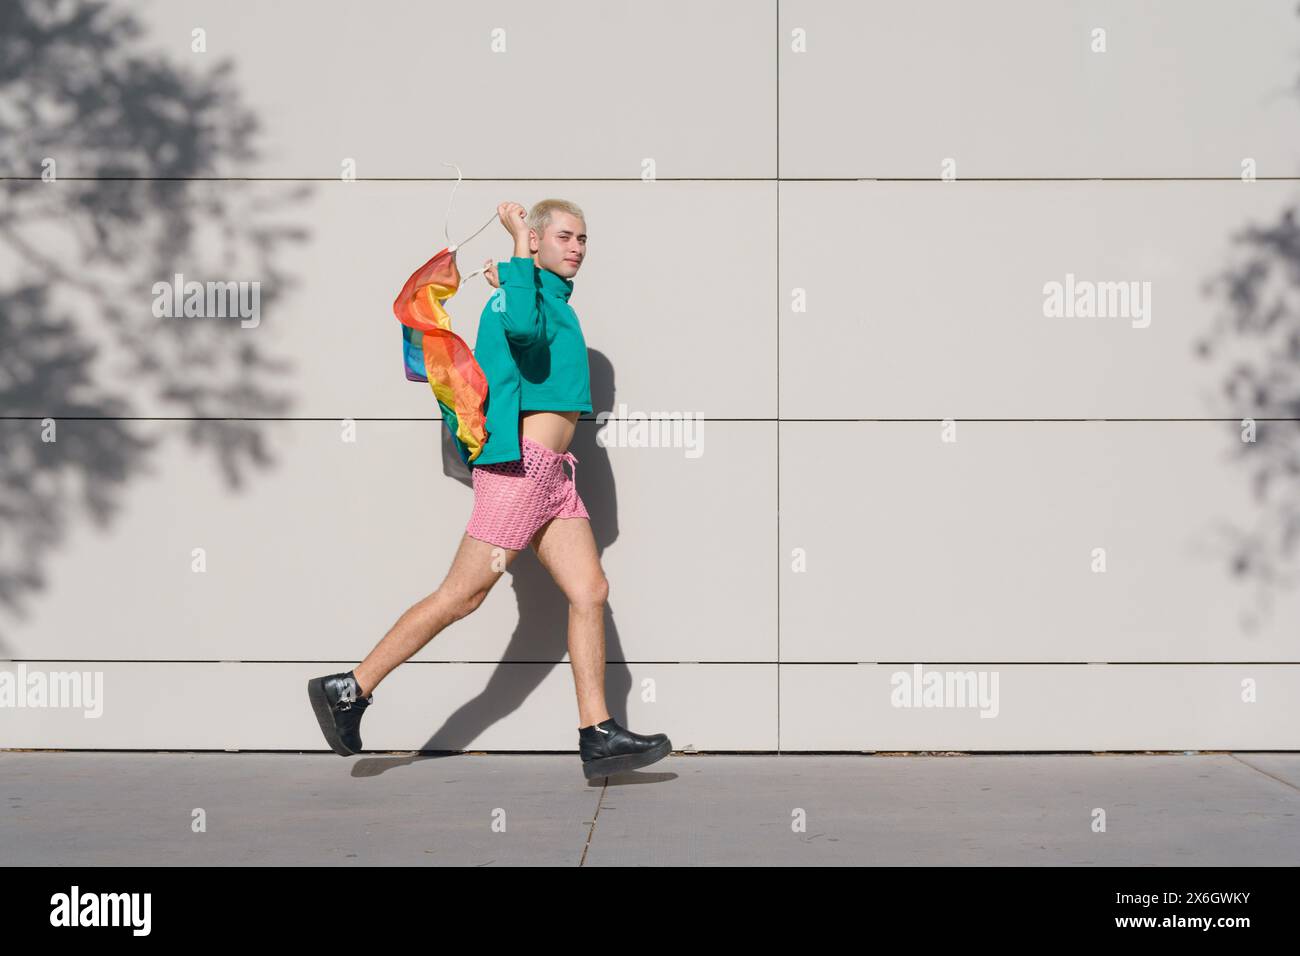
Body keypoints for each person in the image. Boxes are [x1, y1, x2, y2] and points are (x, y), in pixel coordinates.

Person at [308, 199, 672, 780]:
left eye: (583, 239)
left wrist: (523, 265)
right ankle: (351, 688)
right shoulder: (512, 296)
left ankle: (598, 731)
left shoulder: (549, 297)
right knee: (463, 594)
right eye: (564, 236)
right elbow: (523, 330)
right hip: (522, 470)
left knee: (589, 590)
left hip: (553, 476)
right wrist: (516, 251)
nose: (577, 247)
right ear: (534, 239)